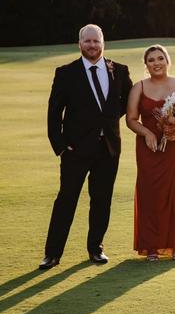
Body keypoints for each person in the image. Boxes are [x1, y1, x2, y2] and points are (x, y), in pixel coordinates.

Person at [41, 24, 133, 269]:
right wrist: (60, 145)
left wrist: (109, 119)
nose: (92, 45)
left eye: (96, 41)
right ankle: (52, 254)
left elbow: (127, 102)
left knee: (101, 200)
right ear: (79, 44)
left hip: (108, 149)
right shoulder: (66, 73)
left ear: (104, 43)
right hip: (75, 150)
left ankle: (96, 248)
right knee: (66, 200)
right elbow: (54, 112)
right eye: (87, 41)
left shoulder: (120, 71)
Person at [125, 45, 175, 261]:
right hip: (150, 149)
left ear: (168, 61)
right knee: (151, 193)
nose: (156, 63)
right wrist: (147, 133)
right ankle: (152, 244)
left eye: (160, 58)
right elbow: (130, 119)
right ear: (146, 64)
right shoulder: (138, 87)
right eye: (151, 60)